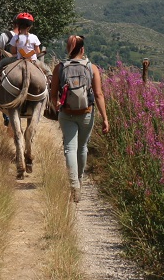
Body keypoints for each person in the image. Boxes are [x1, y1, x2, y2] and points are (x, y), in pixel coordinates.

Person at [50, 35, 109, 203]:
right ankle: (80, 179)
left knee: (69, 148)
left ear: (68, 49)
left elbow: (53, 94)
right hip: (86, 112)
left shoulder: (59, 68)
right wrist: (105, 118)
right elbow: (98, 94)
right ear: (82, 49)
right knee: (82, 148)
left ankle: (74, 185)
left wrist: (57, 107)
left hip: (66, 114)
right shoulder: (92, 68)